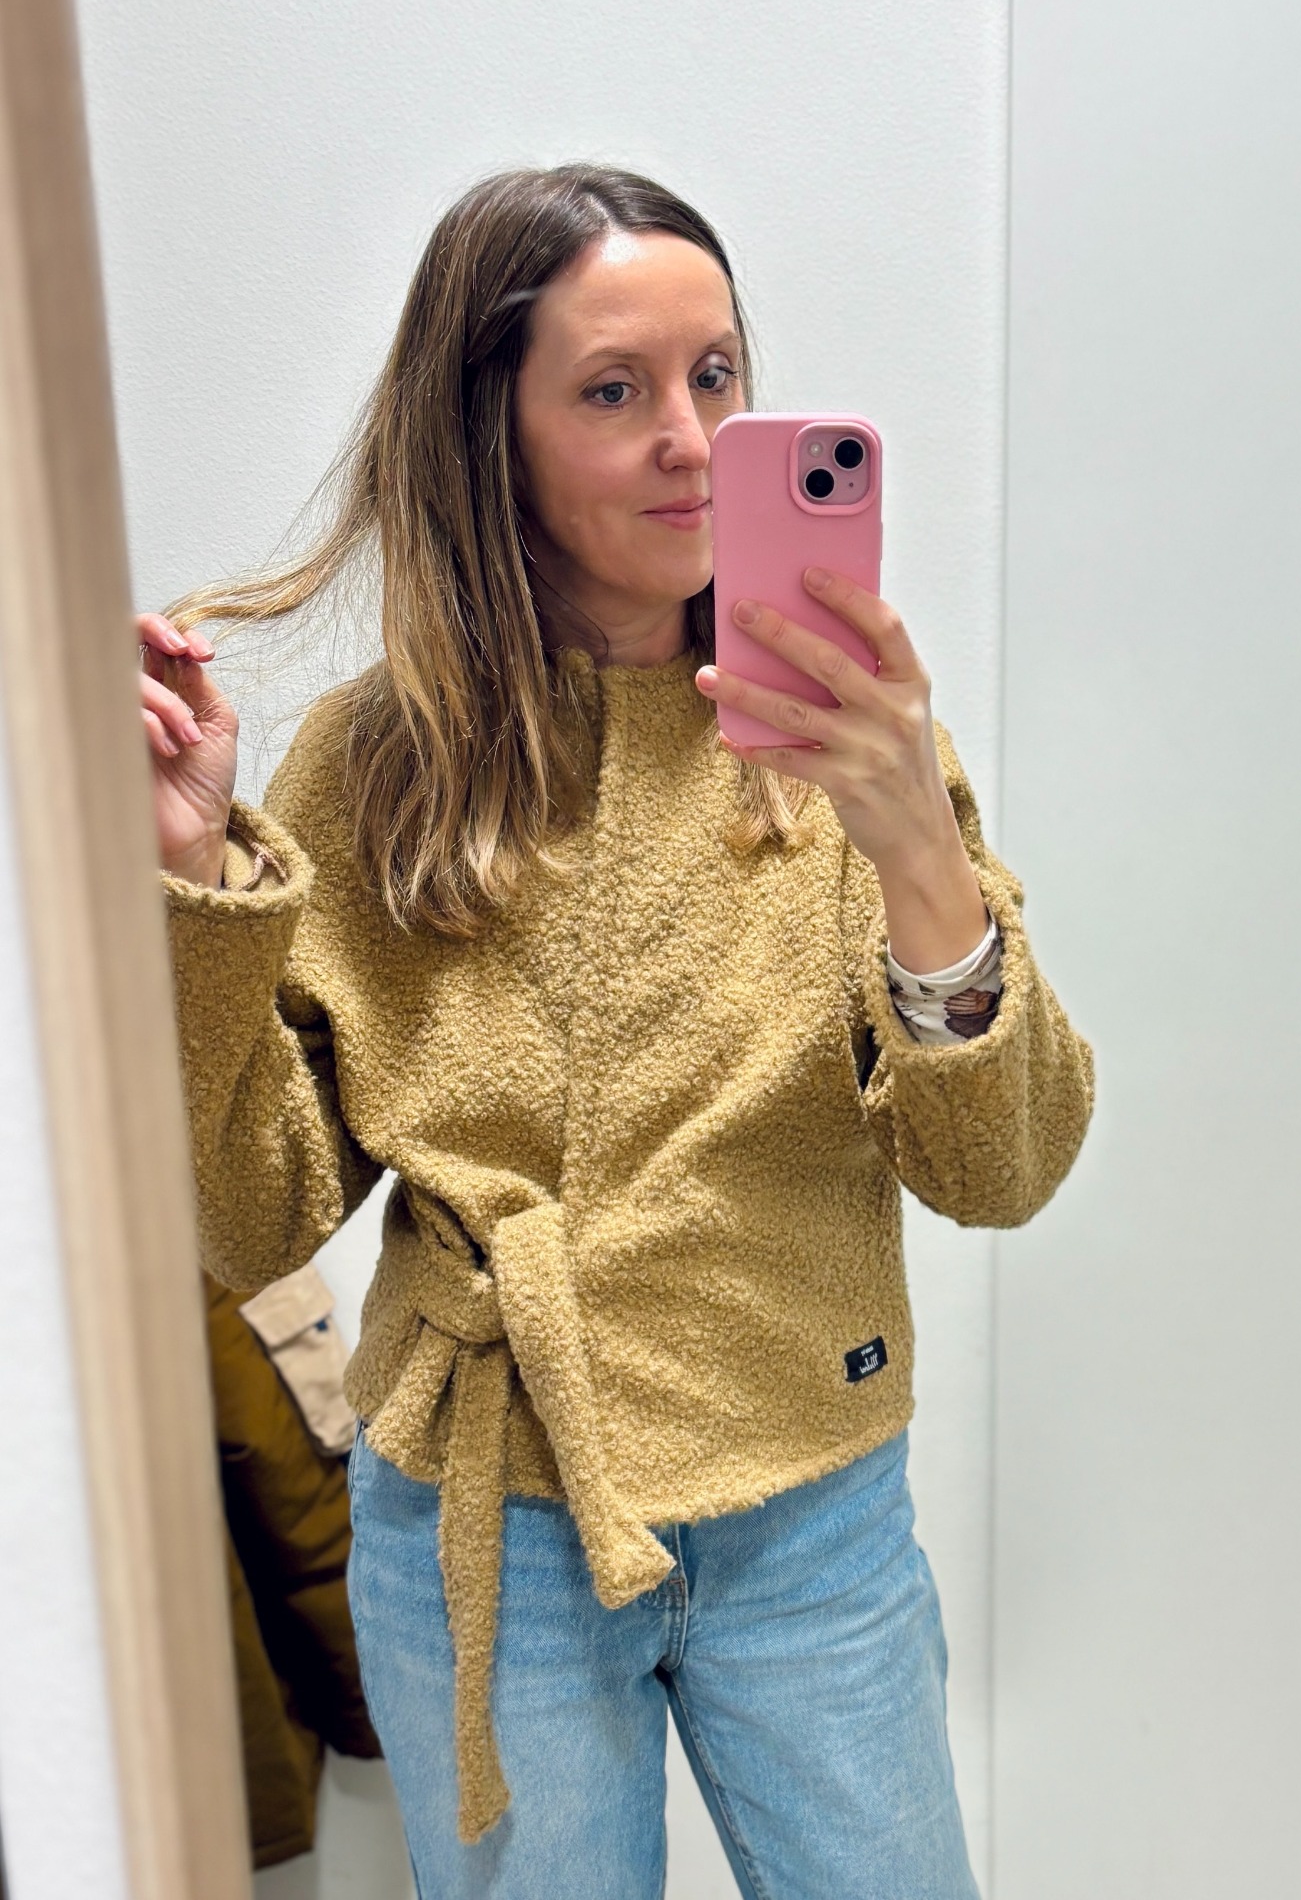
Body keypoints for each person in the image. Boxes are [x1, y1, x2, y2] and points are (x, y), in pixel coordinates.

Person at [139, 164, 1094, 1900]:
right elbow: (252, 1220)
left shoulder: (847, 738)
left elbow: (1001, 1168)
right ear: (484, 436)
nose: (690, 438)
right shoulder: (374, 768)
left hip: (812, 1512)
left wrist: (915, 852)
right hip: (480, 1521)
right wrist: (198, 881)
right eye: (611, 390)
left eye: (715, 375)